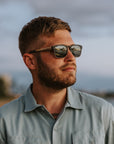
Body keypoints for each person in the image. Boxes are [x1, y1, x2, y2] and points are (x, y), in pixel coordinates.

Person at [0, 16, 114, 144]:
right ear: (31, 61)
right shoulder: (4, 121)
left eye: (74, 49)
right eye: (60, 50)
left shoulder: (103, 112)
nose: (71, 57)